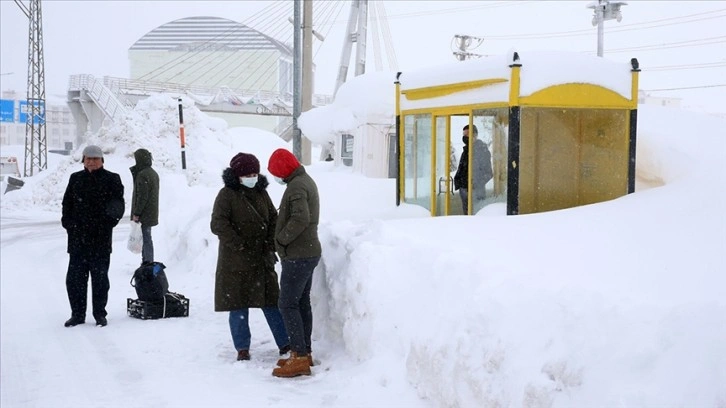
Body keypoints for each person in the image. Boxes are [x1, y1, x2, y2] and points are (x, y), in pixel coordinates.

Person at [210, 152, 290, 362]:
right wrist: (239, 243)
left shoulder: (262, 193)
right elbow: (218, 224)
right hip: (235, 260)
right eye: (247, 174)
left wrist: (270, 243)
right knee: (238, 305)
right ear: (237, 175)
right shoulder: (226, 195)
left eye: (255, 173)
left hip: (262, 258)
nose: (252, 177)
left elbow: (274, 218)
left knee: (271, 302)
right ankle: (242, 348)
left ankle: (285, 343)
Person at [267, 148, 321, 378]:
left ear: (283, 170)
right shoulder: (302, 181)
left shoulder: (297, 186)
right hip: (307, 252)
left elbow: (300, 218)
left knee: (287, 304)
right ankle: (304, 352)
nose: (276, 178)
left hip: (299, 254)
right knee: (300, 303)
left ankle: (298, 356)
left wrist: (281, 238)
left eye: (275, 173)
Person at [61, 145, 125, 327]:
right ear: (83, 160)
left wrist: (106, 224)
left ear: (102, 161)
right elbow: (67, 204)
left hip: (100, 240)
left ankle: (99, 314)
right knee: (75, 280)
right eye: (88, 158)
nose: (91, 162)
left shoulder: (112, 179)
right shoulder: (75, 179)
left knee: (100, 280)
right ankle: (77, 314)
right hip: (77, 240)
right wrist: (69, 225)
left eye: (95, 159)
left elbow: (117, 206)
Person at [453, 124, 493, 215]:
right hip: (464, 189)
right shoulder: (467, 150)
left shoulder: (481, 150)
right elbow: (462, 168)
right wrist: (459, 182)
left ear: (474, 135)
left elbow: (488, 173)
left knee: (477, 216)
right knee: (467, 216)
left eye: (466, 135)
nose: (464, 138)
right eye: (463, 135)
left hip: (475, 191)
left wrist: (474, 185)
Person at [129, 148, 159, 264]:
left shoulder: (142, 175)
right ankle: (147, 261)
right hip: (151, 212)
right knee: (147, 237)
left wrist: (137, 213)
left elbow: (142, 197)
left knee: (146, 239)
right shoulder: (153, 173)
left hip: (144, 213)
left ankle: (148, 262)